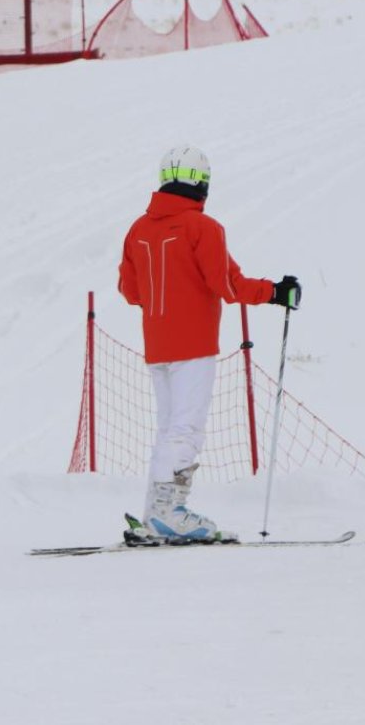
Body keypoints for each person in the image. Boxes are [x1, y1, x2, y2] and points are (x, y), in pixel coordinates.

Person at [118, 145, 301, 543]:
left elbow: (129, 290)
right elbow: (227, 284)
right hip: (194, 343)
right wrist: (275, 292)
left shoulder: (138, 229)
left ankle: (155, 511)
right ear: (201, 182)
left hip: (158, 344)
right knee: (186, 427)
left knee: (169, 427)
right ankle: (169, 512)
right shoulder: (203, 227)